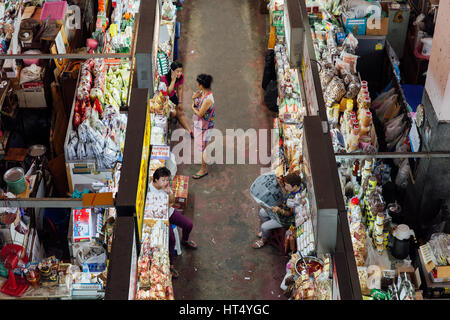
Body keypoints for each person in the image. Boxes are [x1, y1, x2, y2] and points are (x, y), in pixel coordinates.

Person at [149, 167, 197, 278]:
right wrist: (165, 206)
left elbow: (171, 202)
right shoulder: (149, 190)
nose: (166, 182)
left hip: (169, 213)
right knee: (171, 240)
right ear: (156, 180)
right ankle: (170, 265)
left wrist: (168, 193)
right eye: (163, 180)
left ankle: (185, 240)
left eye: (167, 180)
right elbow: (155, 210)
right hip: (159, 219)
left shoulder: (165, 187)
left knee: (188, 225)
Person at [252, 173, 303, 249]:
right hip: (280, 209)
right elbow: (285, 195)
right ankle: (268, 230)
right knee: (262, 212)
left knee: (264, 226)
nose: (285, 187)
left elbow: (290, 213)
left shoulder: (296, 199)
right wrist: (281, 186)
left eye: (287, 185)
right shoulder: (294, 189)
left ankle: (264, 239)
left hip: (285, 220)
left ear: (295, 186)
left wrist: (279, 210)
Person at [191, 74, 215, 179]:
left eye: (197, 83)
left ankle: (203, 169)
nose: (196, 84)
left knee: (202, 148)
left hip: (205, 127)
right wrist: (194, 98)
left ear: (201, 85)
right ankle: (205, 158)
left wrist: (192, 106)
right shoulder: (202, 93)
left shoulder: (208, 99)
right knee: (202, 145)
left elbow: (200, 113)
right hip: (201, 125)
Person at [160, 61, 193, 137]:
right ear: (172, 71)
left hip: (172, 96)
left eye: (181, 71)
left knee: (179, 112)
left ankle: (189, 131)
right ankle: (171, 119)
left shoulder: (181, 77)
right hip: (164, 99)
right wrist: (173, 80)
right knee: (174, 113)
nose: (179, 73)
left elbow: (180, 89)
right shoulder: (164, 78)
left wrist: (180, 102)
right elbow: (168, 92)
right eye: (177, 71)